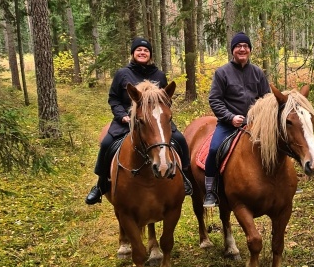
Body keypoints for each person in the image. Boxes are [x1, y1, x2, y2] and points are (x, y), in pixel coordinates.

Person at [85, 37, 192, 205]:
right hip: (127, 122)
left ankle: (185, 177)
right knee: (107, 144)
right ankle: (100, 185)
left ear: (150, 55)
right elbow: (113, 98)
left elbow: (165, 101)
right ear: (133, 53)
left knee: (180, 140)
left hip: (155, 122)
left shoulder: (159, 75)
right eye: (139, 50)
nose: (142, 53)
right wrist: (122, 115)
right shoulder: (122, 74)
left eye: (146, 50)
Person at [203, 32, 271, 208]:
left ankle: (281, 182)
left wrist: (260, 117)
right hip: (229, 124)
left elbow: (267, 98)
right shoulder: (222, 73)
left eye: (246, 46)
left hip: (255, 124)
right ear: (233, 50)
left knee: (276, 143)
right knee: (214, 149)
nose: (242, 49)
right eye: (238, 46)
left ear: (249, 50)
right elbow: (215, 99)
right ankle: (210, 190)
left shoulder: (257, 72)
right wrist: (230, 117)